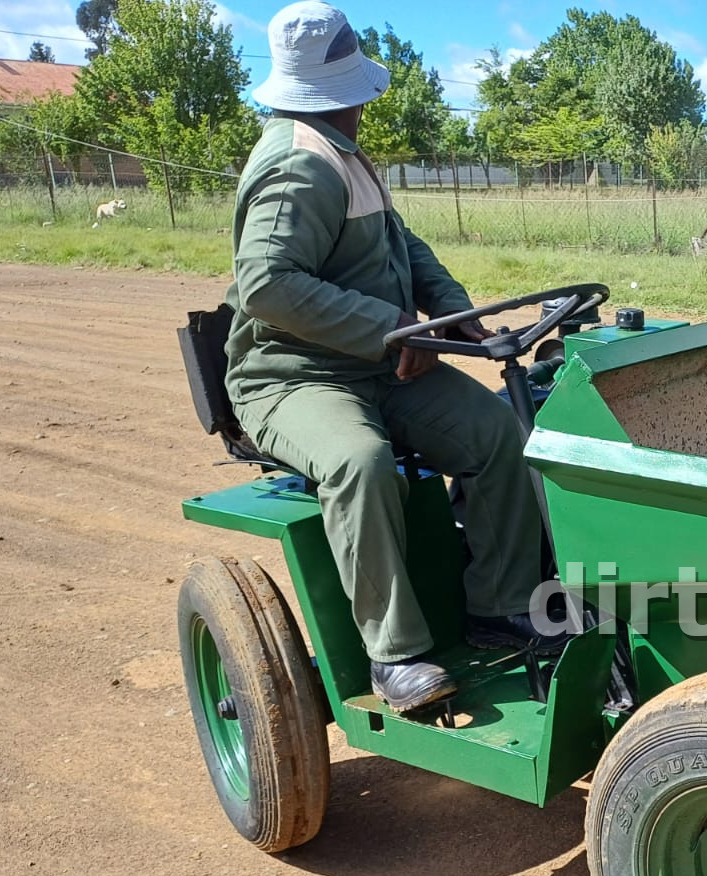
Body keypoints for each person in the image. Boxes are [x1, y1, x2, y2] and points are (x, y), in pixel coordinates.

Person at [226, 1, 563, 713]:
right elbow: (265, 283)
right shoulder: (298, 163)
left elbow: (402, 247)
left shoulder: (340, 150)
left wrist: (452, 312)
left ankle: (499, 606)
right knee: (360, 463)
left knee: (500, 432)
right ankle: (395, 653)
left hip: (380, 365)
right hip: (293, 376)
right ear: (342, 88)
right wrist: (389, 328)